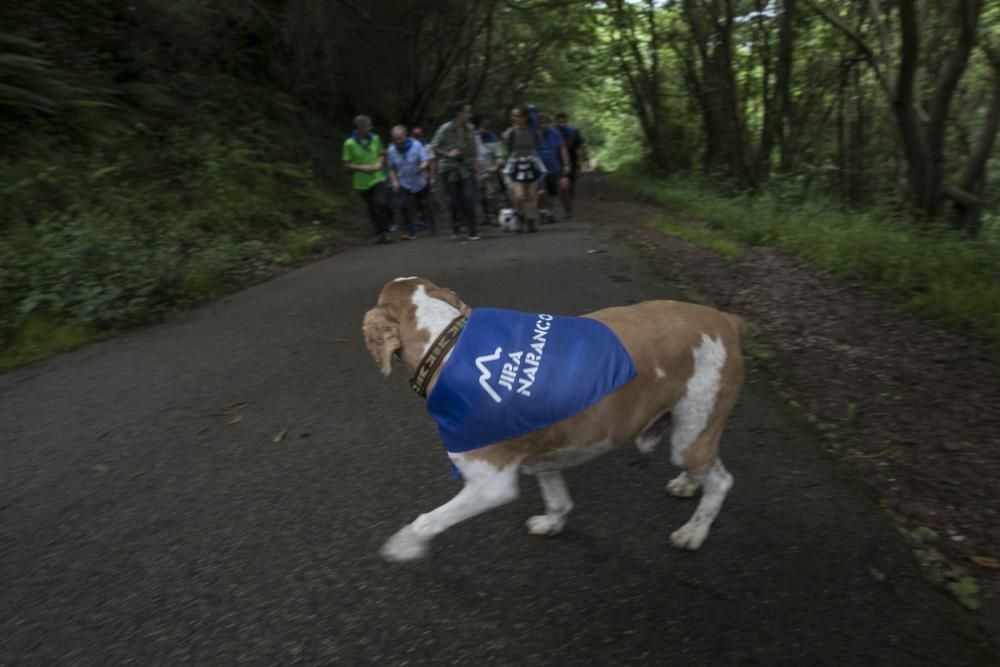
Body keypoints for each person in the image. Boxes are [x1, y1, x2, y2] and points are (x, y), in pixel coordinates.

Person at [432, 101, 482, 241]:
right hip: (449, 168)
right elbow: (434, 146)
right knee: (455, 200)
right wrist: (448, 153)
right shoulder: (445, 129)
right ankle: (456, 226)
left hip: (467, 167)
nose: (469, 115)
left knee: (469, 197)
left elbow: (474, 149)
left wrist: (476, 165)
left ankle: (472, 231)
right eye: (467, 112)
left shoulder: (471, 128)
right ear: (458, 114)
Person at [342, 114, 393, 244]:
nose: (371, 127)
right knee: (371, 208)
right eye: (368, 125)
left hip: (377, 177)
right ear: (360, 127)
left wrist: (380, 164)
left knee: (381, 202)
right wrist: (361, 167)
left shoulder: (375, 139)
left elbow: (382, 153)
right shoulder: (349, 143)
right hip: (361, 182)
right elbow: (346, 165)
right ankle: (381, 233)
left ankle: (386, 232)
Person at [502, 105, 545, 233]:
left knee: (532, 194)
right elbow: (507, 148)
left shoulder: (534, 132)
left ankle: (531, 221)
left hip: (531, 162)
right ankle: (520, 218)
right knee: (519, 196)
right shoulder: (510, 132)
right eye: (513, 116)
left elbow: (538, 145)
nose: (514, 118)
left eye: (517, 116)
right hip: (516, 163)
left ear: (525, 117)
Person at [387, 125, 434, 240]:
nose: (398, 141)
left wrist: (421, 168)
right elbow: (391, 168)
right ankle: (410, 231)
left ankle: (431, 224)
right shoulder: (391, 150)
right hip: (404, 181)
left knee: (424, 203)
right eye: (395, 139)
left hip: (419, 181)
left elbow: (425, 160)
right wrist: (394, 181)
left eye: (400, 138)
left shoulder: (416, 145)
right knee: (403, 205)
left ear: (405, 136)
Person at [536, 113, 571, 224]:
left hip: (553, 167)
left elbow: (562, 148)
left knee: (552, 192)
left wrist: (566, 164)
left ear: (549, 124)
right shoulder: (534, 134)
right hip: (538, 168)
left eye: (545, 123)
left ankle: (550, 213)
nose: (543, 125)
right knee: (540, 192)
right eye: (541, 123)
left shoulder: (555, 133)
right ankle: (542, 212)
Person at [556, 112, 587, 218]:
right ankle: (566, 208)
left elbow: (583, 146)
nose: (562, 124)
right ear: (557, 122)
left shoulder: (574, 132)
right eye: (560, 122)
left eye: (564, 122)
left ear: (567, 121)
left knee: (571, 187)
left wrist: (584, 162)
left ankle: (570, 206)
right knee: (562, 187)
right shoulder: (554, 133)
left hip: (573, 162)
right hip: (559, 162)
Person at [475, 117, 504, 226]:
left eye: (487, 129)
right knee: (480, 196)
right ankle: (485, 216)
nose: (484, 131)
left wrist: (495, 167)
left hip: (490, 171)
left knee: (491, 195)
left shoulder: (494, 139)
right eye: (483, 128)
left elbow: (500, 157)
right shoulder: (474, 137)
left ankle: (495, 216)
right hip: (477, 171)